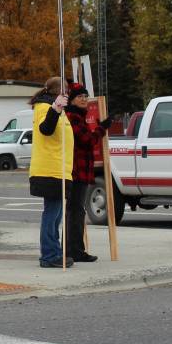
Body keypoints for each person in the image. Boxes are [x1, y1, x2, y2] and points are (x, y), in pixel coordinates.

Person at [27, 77, 74, 268]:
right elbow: (46, 129)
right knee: (52, 214)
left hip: (60, 169)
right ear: (56, 92)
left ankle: (55, 251)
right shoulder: (44, 108)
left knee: (56, 214)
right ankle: (49, 254)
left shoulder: (60, 110)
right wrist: (55, 108)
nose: (68, 95)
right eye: (65, 91)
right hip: (49, 170)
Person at [64, 81, 112, 262]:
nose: (84, 99)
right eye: (80, 97)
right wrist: (102, 128)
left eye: (85, 96)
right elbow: (87, 140)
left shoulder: (78, 116)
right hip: (76, 170)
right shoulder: (72, 116)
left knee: (77, 210)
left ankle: (75, 249)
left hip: (80, 169)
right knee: (75, 210)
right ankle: (72, 250)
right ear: (72, 99)